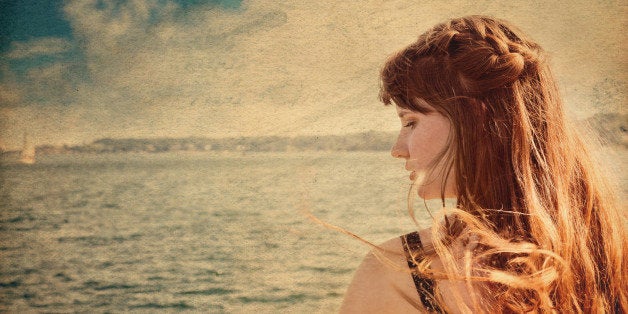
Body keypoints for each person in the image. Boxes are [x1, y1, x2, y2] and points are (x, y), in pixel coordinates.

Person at [339, 15, 626, 313]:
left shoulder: (401, 271)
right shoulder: (608, 253)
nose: (398, 150)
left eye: (411, 122)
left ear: (477, 120)